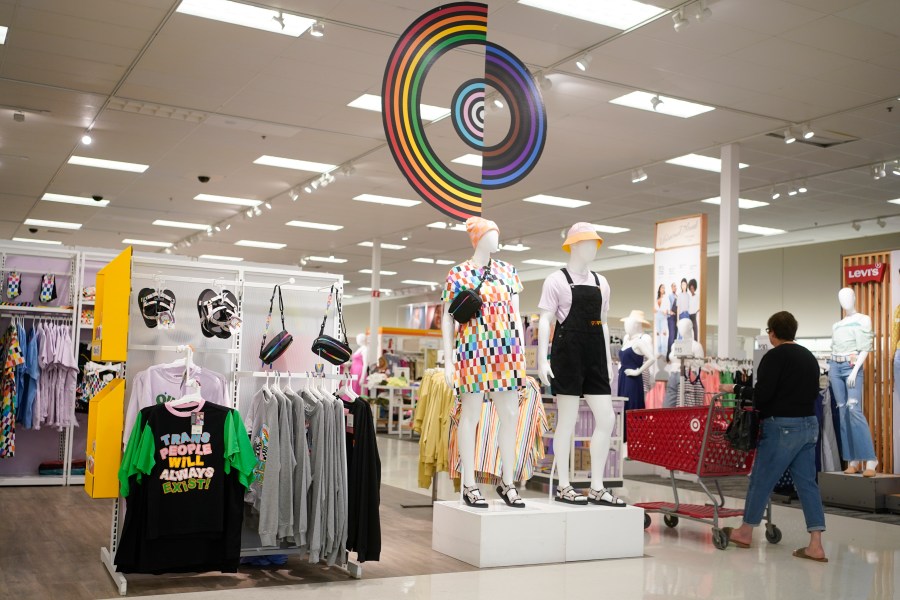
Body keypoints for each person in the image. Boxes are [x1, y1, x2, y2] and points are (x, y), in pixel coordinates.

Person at [719, 311, 827, 563]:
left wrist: (734, 388)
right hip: (809, 425)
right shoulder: (809, 357)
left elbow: (762, 395)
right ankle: (816, 544)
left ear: (772, 332)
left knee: (761, 480)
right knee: (807, 484)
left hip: (781, 427)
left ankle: (745, 532)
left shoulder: (773, 357)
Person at [654, 284, 668, 356]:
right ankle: (659, 351)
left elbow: (667, 309)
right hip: (657, 316)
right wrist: (655, 310)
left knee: (664, 333)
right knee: (658, 333)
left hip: (663, 317)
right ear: (659, 289)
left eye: (664, 288)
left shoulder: (665, 299)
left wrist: (664, 311)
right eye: (662, 288)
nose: (663, 289)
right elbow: (654, 309)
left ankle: (664, 352)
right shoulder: (656, 299)